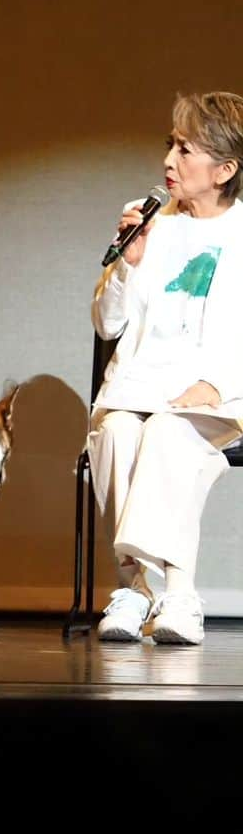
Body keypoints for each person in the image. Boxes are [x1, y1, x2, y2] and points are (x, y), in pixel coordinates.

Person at [89, 91, 243, 644]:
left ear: (224, 169)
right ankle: (162, 594)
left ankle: (156, 591)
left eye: (185, 149)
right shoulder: (151, 221)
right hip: (137, 387)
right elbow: (107, 325)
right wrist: (127, 264)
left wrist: (219, 384)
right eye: (170, 146)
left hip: (215, 395)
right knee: (118, 432)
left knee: (168, 433)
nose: (169, 162)